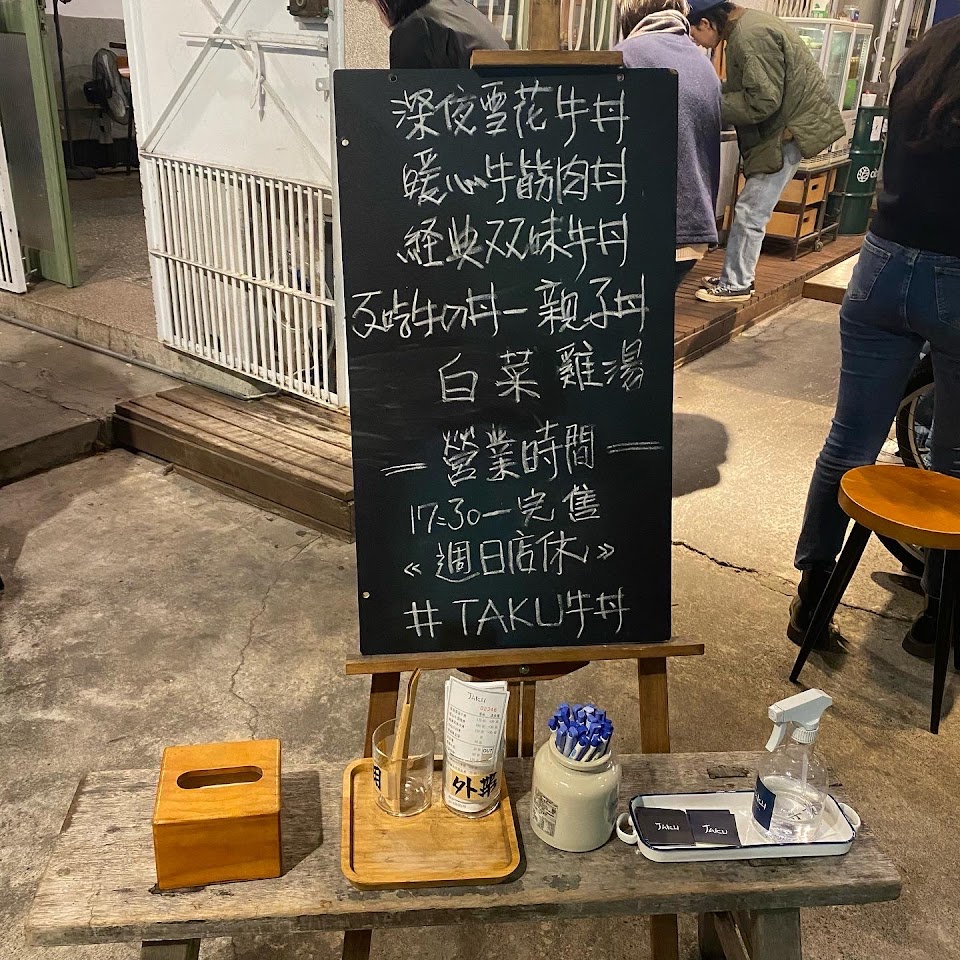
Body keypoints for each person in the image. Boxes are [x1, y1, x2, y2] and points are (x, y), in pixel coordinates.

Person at [788, 16, 960, 660]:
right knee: (955, 457)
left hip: (882, 262)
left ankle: (813, 596)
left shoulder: (932, 47)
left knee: (849, 441)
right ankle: (940, 615)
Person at [687, 0, 844, 303]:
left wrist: (709, 103)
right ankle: (735, 276)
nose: (696, 42)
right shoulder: (750, 26)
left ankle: (737, 284)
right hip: (787, 129)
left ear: (705, 23)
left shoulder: (749, 37)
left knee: (751, 211)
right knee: (752, 209)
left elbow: (763, 100)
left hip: (786, 133)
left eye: (693, 34)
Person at [615, 0, 721, 289]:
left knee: (628, 309)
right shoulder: (702, 62)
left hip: (646, 228)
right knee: (654, 307)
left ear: (627, 17)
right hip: (696, 223)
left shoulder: (626, 56)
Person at [373, 0, 508, 68]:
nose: (380, 17)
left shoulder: (418, 27)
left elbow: (405, 102)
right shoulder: (459, 9)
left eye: (375, 4)